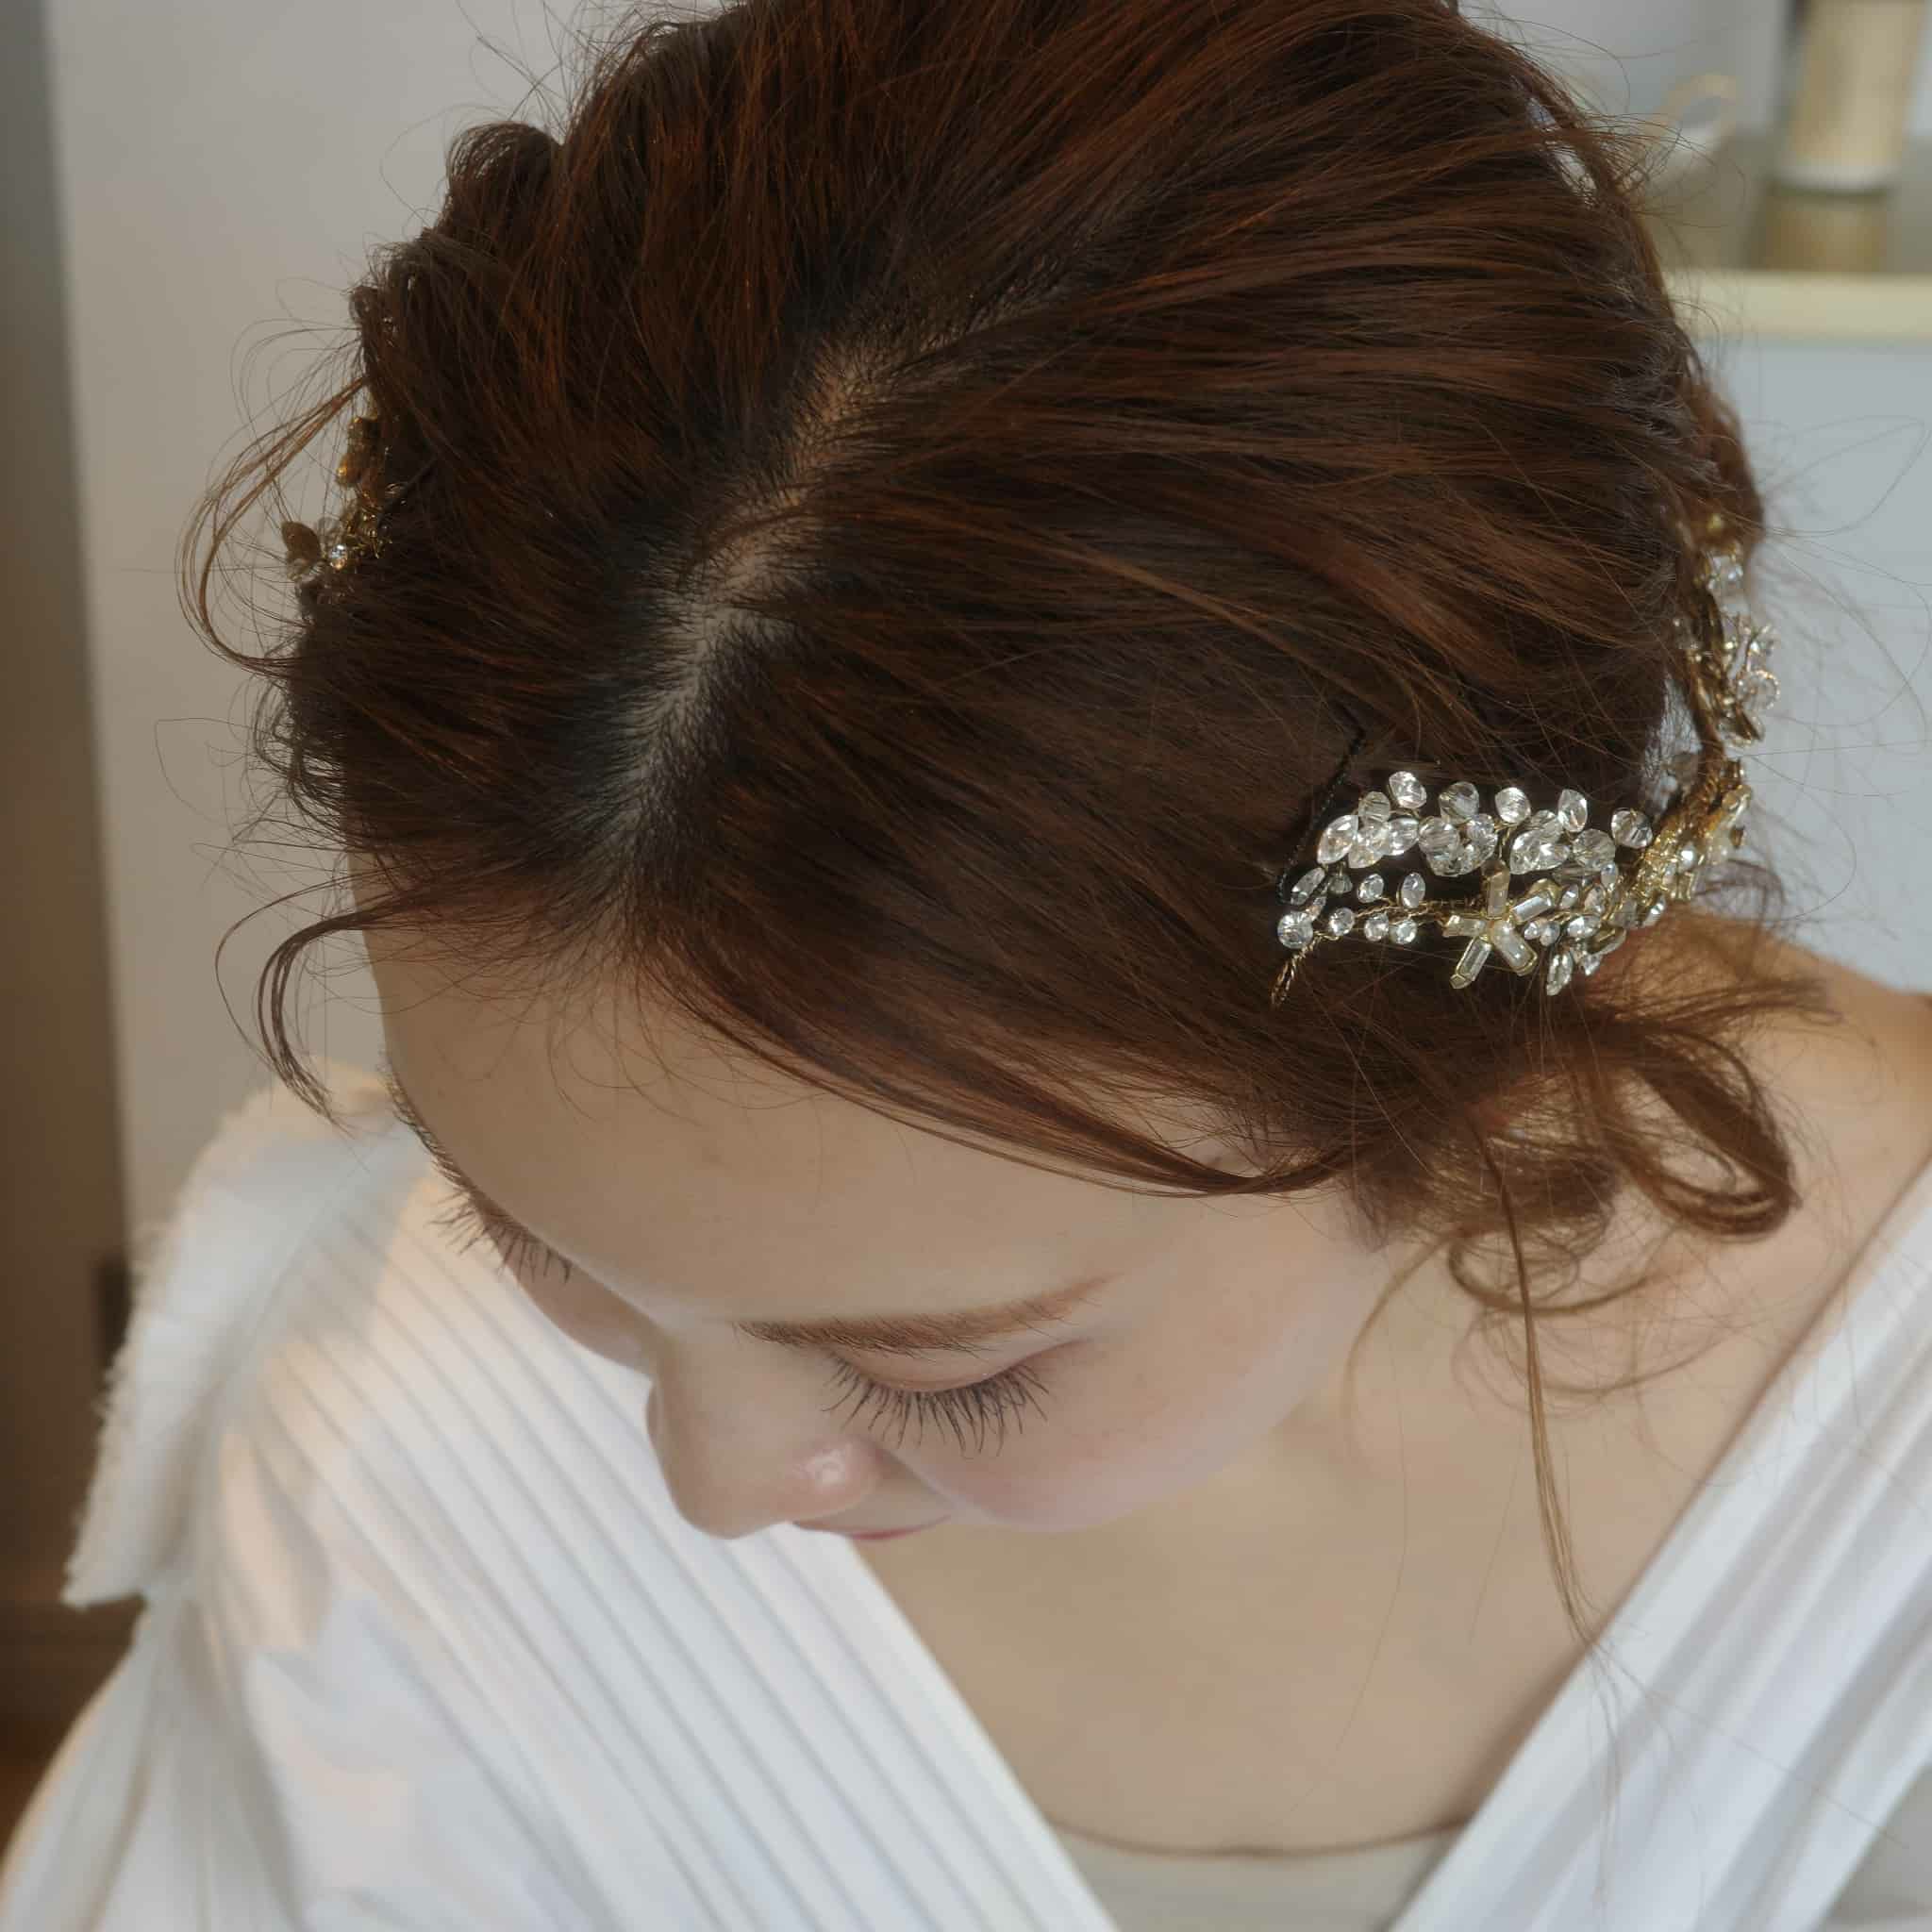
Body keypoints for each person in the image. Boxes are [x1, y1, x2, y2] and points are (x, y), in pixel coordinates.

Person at [4, 0, 1930, 1925]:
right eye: (523, 1230)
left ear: (1460, 1047)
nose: (711, 1483)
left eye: (953, 1373)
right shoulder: (394, 1417)